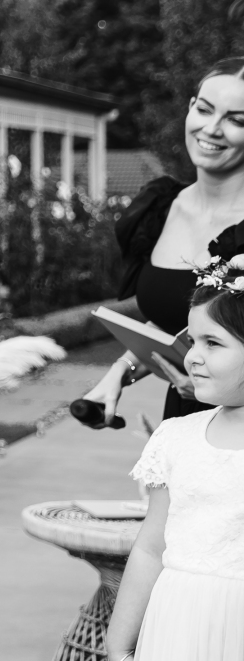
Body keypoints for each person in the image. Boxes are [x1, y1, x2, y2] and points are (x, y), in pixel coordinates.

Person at [108, 230, 244, 661]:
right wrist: (119, 645)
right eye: (192, 341)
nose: (193, 357)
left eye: (215, 344)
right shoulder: (177, 438)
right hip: (178, 628)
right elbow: (151, 547)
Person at [83, 59, 244, 426]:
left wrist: (221, 392)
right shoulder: (160, 208)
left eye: (237, 120)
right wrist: (118, 374)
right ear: (190, 107)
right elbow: (174, 327)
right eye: (205, 110)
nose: (212, 128)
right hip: (185, 427)